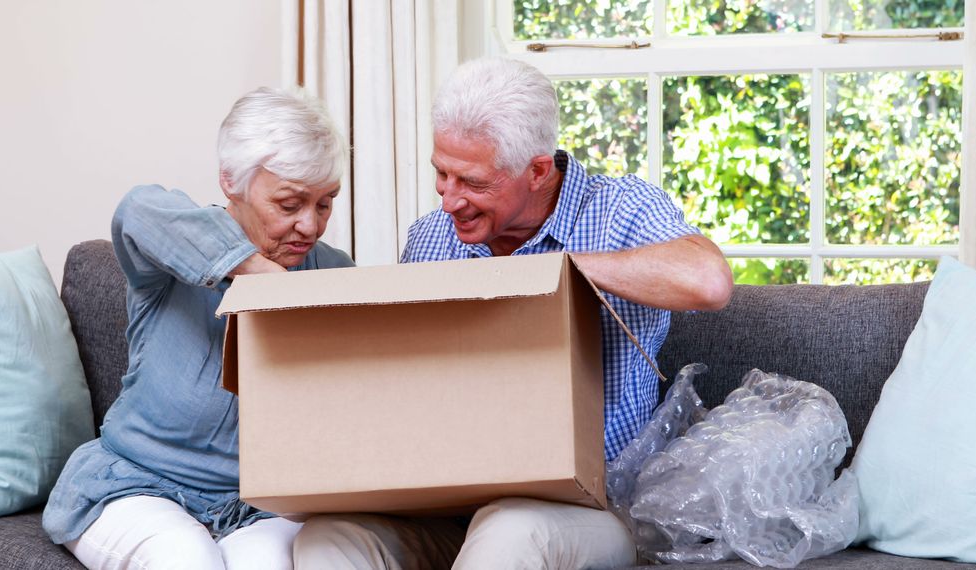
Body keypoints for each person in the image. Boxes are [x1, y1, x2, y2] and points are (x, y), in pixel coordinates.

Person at [289, 57, 733, 569]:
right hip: (447, 503)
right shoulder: (431, 238)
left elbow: (709, 280)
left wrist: (558, 271)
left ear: (537, 171)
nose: (449, 200)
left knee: (508, 530)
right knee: (327, 538)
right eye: (441, 173)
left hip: (587, 507)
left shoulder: (620, 210)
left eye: (472, 182)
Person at [42, 86, 353, 570]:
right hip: (136, 483)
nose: (310, 227)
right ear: (231, 181)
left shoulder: (331, 273)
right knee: (186, 557)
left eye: (325, 204)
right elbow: (137, 207)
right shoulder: (175, 249)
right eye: (290, 204)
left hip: (256, 505)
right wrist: (256, 272)